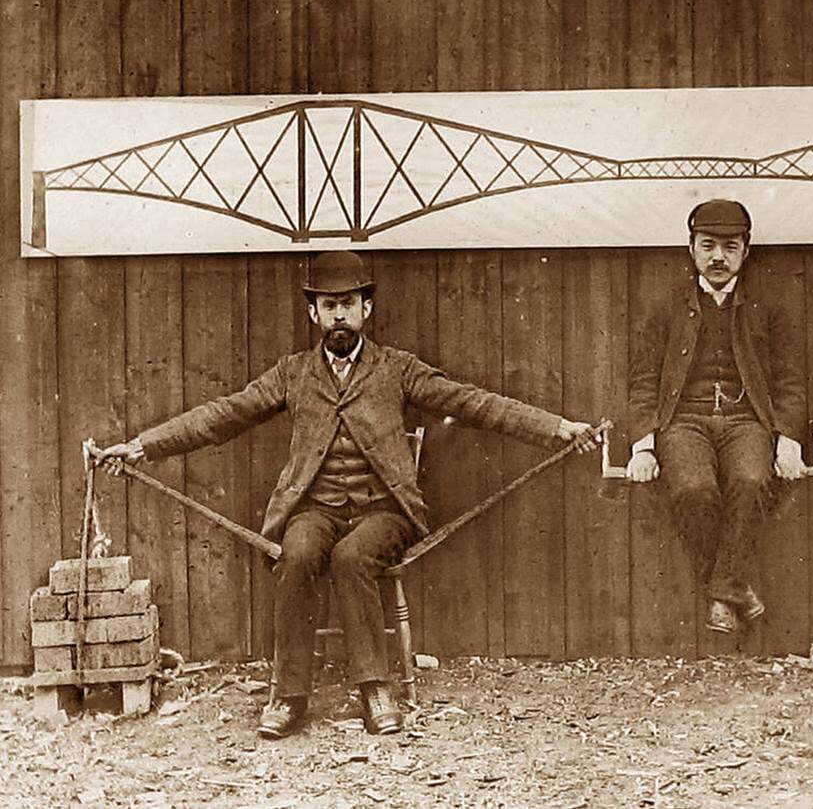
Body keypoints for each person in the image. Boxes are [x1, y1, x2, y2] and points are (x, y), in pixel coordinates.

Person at [95, 251, 597, 739]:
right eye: (329, 306)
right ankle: (289, 696)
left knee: (353, 558)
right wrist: (143, 446)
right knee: (297, 554)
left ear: (366, 309)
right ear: (314, 313)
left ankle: (375, 690)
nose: (340, 315)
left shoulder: (397, 368)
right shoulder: (293, 373)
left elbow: (473, 402)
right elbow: (224, 414)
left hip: (383, 511)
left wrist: (555, 428)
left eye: (349, 304)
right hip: (315, 509)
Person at [626, 199, 807, 634]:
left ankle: (723, 591)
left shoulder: (769, 308)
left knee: (750, 481)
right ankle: (734, 587)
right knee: (692, 489)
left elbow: (790, 382)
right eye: (708, 245)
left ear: (746, 250)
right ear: (691, 248)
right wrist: (643, 445)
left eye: (730, 246)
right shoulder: (666, 306)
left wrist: (788, 438)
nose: (718, 257)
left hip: (747, 421)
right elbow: (643, 382)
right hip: (684, 421)